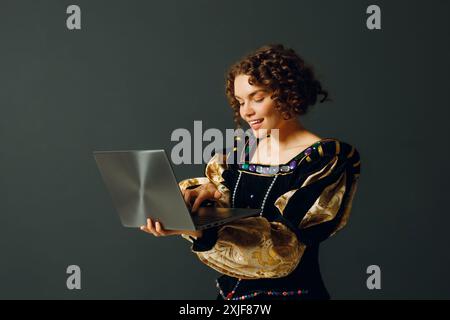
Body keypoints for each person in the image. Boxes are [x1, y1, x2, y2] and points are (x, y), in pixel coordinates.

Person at [140, 44, 361, 300]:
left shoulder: (325, 160)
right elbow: (221, 212)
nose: (246, 111)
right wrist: (193, 204)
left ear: (288, 94)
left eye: (257, 98)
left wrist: (196, 230)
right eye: (241, 101)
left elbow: (282, 250)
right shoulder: (238, 155)